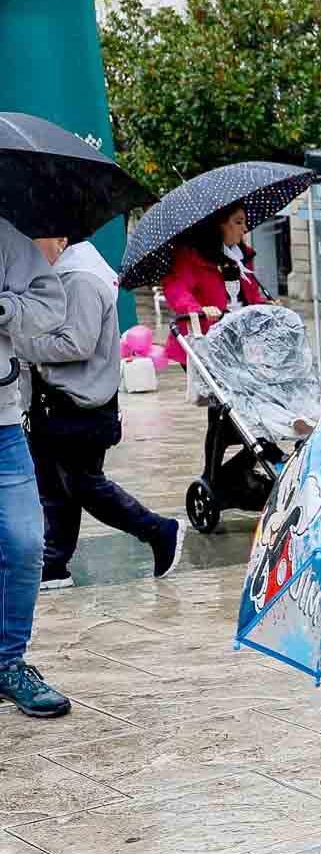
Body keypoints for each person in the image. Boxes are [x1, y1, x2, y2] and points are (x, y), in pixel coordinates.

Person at [16, 235, 182, 589]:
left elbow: (76, 343)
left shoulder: (80, 280)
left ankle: (158, 530)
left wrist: (22, 344)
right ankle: (54, 563)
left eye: (35, 240)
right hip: (53, 402)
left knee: (84, 485)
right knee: (55, 488)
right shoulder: (57, 277)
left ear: (60, 240)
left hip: (78, 403)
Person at [0, 216, 72, 719]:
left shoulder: (6, 237)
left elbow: (50, 305)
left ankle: (8, 662)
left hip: (3, 426)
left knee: (26, 544)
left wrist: (3, 306)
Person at [161, 202, 267, 368]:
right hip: (203, 340)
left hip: (242, 340)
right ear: (219, 225)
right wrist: (197, 309)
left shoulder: (243, 256)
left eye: (244, 223)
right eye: (238, 222)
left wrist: (268, 307)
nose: (244, 229)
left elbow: (251, 296)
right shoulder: (190, 255)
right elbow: (176, 288)